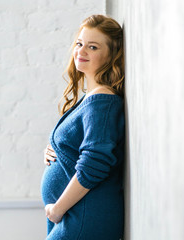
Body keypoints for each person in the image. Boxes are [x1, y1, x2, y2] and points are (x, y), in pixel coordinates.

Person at [40, 14, 125, 240]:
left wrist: (58, 209)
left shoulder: (103, 101)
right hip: (76, 215)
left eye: (93, 46)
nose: (81, 51)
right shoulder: (92, 98)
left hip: (84, 216)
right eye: (79, 43)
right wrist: (54, 150)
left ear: (111, 55)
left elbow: (95, 162)